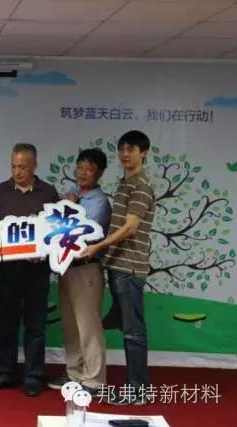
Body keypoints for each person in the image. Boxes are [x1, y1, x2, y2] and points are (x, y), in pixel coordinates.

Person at [81, 130, 155, 405]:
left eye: (132, 149)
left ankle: (138, 392)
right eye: (122, 149)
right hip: (116, 266)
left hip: (129, 269)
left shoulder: (140, 186)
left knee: (133, 332)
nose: (125, 154)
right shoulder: (125, 183)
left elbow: (131, 227)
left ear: (144, 153)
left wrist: (98, 247)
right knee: (125, 326)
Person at [0, 143, 59, 397]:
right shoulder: (0, 191)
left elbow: (56, 232)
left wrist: (43, 252)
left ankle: (33, 376)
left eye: (23, 167)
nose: (17, 172)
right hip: (8, 269)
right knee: (7, 324)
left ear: (34, 166)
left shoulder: (48, 193)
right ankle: (3, 373)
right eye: (14, 166)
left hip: (37, 271)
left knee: (35, 326)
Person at [47, 148, 111, 395]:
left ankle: (94, 380)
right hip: (66, 268)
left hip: (86, 269)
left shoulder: (99, 202)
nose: (83, 173)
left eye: (89, 169)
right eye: (80, 167)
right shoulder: (72, 194)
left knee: (88, 326)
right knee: (71, 325)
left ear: (100, 173)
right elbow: (51, 228)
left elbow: (82, 233)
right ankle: (74, 373)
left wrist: (69, 209)